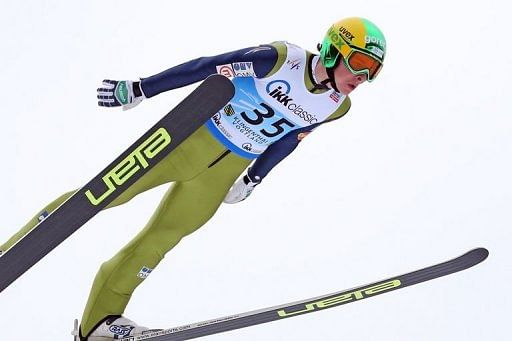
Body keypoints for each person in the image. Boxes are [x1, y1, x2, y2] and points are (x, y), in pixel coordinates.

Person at [1, 17, 386, 340]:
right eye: (359, 64)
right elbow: (208, 66)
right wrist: (141, 88)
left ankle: (100, 323)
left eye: (373, 72)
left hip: (222, 174)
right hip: (186, 141)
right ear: (335, 50)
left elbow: (291, 139)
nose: (363, 78)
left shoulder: (336, 106)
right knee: (102, 195)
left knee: (160, 242)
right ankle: (10, 252)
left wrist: (255, 178)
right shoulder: (279, 59)